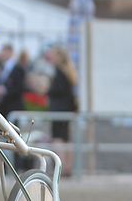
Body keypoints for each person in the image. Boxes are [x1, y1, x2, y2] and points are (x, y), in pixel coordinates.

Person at [45, 46, 77, 175]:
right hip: (67, 110)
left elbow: (55, 92)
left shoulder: (59, 73)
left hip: (58, 111)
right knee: (66, 139)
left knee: (57, 139)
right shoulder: (69, 72)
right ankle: (68, 166)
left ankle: (62, 167)